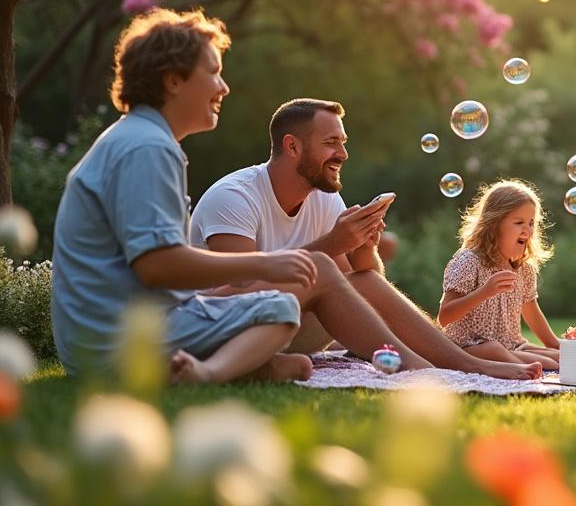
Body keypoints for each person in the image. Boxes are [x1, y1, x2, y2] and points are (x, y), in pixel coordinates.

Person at [189, 98, 541, 381]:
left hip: (284, 322)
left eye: (343, 143)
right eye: (331, 143)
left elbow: (354, 284)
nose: (342, 154)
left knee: (363, 280)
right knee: (325, 268)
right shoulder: (235, 197)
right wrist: (331, 244)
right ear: (292, 147)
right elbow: (237, 287)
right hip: (223, 328)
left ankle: (457, 364)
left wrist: (364, 247)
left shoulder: (324, 199)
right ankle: (438, 368)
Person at [52, 9, 314, 384]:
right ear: (173, 80)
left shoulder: (135, 138)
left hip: (104, 340)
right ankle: (208, 373)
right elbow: (157, 264)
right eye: (213, 72)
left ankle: (225, 368)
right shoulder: (147, 147)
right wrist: (263, 264)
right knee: (281, 308)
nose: (223, 87)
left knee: (297, 362)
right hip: (121, 342)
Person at [438, 180, 562, 370]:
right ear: (494, 224)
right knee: (498, 351)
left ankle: (528, 363)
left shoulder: (523, 268)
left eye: (531, 223)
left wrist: (555, 345)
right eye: (519, 222)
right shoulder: (469, 261)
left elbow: (532, 313)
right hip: (468, 347)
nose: (527, 231)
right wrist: (484, 292)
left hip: (512, 344)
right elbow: (445, 316)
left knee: (559, 358)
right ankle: (519, 369)